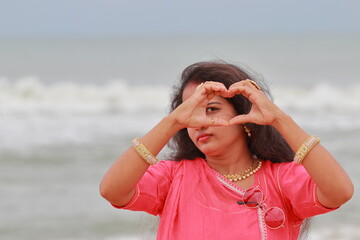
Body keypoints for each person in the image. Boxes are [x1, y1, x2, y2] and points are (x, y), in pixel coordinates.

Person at [100, 61, 353, 239]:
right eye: (189, 112)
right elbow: (112, 190)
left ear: (246, 116)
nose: (199, 121)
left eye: (211, 109)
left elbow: (340, 192)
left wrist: (279, 119)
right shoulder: (173, 178)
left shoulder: (281, 180)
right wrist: (172, 122)